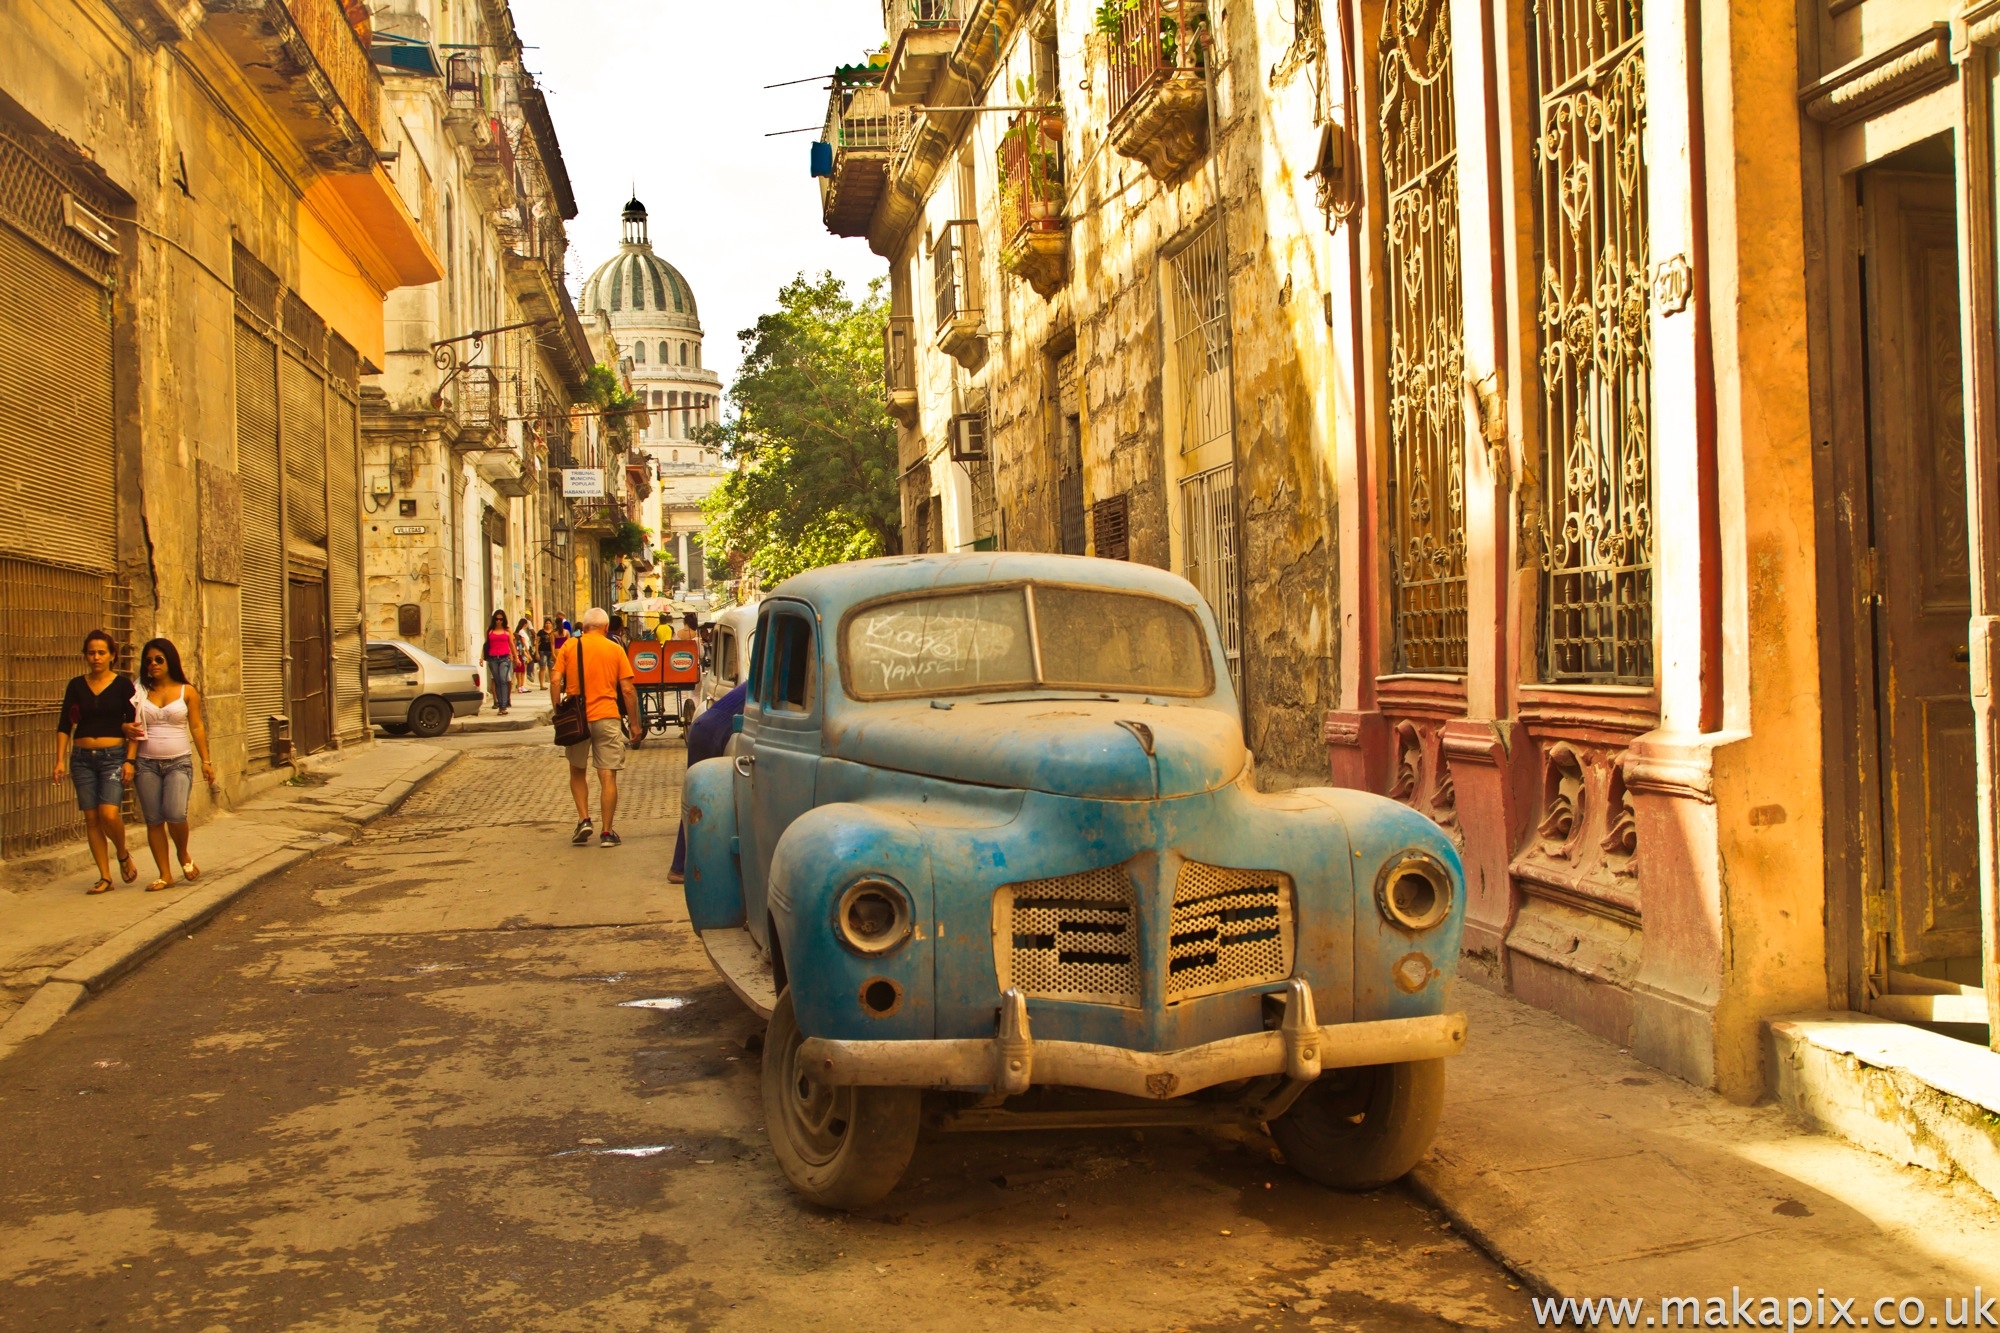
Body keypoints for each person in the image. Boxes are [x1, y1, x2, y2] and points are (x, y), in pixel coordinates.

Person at [53, 628, 138, 895]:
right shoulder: (76, 685)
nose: (96, 657)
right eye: (91, 653)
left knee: (108, 814)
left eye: (102, 652)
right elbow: (64, 724)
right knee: (91, 818)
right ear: (85, 656)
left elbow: (136, 726)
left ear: (112, 655)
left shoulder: (124, 686)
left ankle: (122, 853)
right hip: (81, 758)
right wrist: (59, 760)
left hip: (113, 757)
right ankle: (105, 876)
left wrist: (130, 761)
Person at [130, 637, 215, 892]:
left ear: (170, 661)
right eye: (148, 661)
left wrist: (206, 761)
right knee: (154, 819)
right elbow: (131, 724)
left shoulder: (186, 691)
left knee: (176, 813)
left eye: (159, 659)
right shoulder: (139, 690)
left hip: (179, 762)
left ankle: (183, 854)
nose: (153, 664)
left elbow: (197, 727)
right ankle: (165, 874)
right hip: (146, 764)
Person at [553, 607, 641, 847]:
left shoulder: (570, 646)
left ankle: (584, 820)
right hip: (607, 717)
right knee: (607, 774)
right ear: (605, 628)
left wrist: (557, 710)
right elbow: (627, 690)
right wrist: (634, 724)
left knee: (577, 770)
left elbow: (554, 679)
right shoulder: (615, 648)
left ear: (583, 626)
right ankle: (607, 832)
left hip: (577, 719)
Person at [669, 679, 747, 884]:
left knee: (700, 799)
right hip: (709, 732)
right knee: (699, 799)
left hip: (707, 728)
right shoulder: (763, 678)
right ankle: (679, 867)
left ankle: (682, 865)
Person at [484, 609, 514, 715]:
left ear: (503, 620)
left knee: (503, 680)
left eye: (501, 619)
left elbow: (511, 644)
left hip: (504, 658)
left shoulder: (507, 630)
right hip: (493, 658)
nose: (498, 621)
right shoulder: (490, 630)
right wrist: (482, 657)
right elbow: (486, 645)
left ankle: (504, 706)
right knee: (497, 681)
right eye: (497, 619)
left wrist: (516, 657)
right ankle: (500, 705)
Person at [515, 617, 536, 688]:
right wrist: (527, 652)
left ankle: (521, 685)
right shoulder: (521, 631)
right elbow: (523, 642)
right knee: (522, 669)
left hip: (524, 650)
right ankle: (521, 685)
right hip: (523, 651)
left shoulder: (523, 631)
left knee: (522, 669)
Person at [537, 618, 555, 686]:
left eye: (549, 623)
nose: (547, 625)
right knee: (542, 667)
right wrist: (537, 653)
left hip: (551, 651)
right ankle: (541, 684)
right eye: (546, 623)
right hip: (542, 651)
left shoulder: (553, 632)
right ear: (544, 624)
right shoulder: (541, 632)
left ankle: (552, 684)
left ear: (551, 624)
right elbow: (537, 642)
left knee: (551, 667)